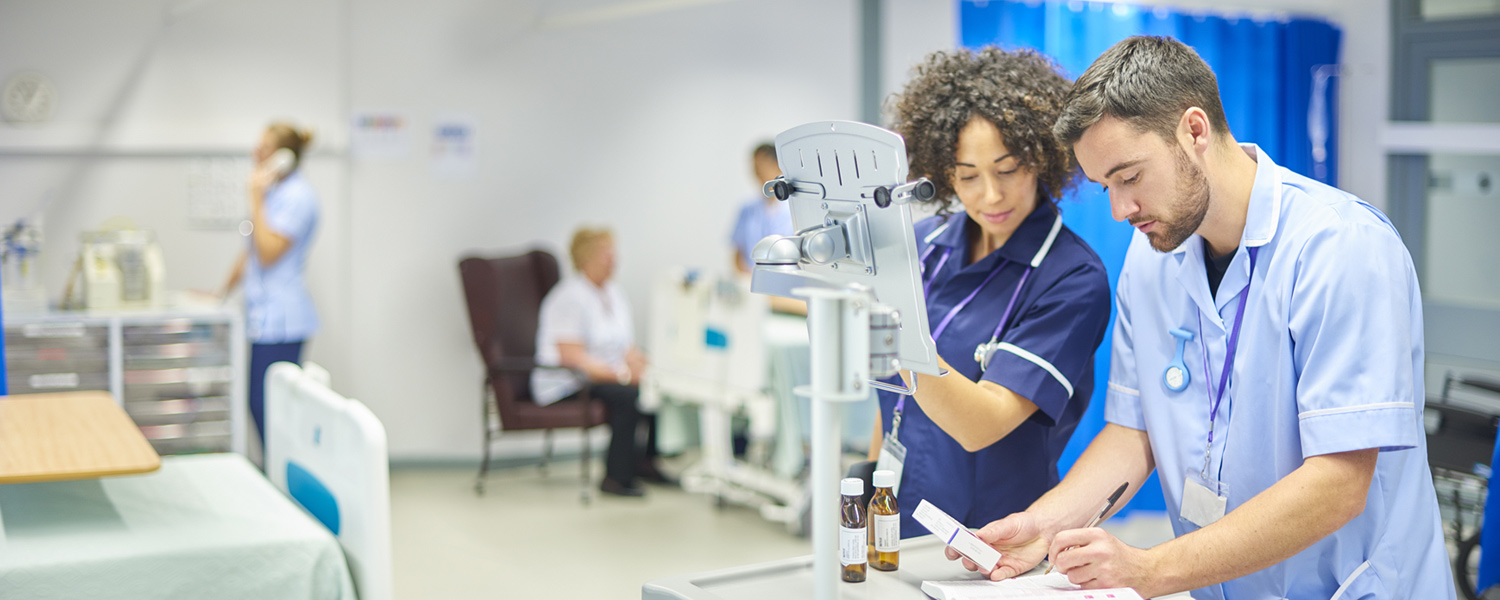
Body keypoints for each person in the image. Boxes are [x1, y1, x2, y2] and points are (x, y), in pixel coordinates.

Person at [948, 36, 1454, 599]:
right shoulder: (1152, 256)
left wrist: (1152, 570)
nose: (1120, 210)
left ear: (1194, 131)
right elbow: (1132, 430)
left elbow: (1338, 484)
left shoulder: (1340, 247)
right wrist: (1044, 526)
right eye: (1106, 187)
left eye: (1130, 177)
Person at [868, 48, 1112, 538]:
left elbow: (983, 423)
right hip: (899, 514)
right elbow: (894, 398)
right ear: (943, 173)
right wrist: (875, 491)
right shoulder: (921, 248)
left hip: (996, 539)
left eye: (1007, 169)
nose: (991, 196)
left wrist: (893, 334)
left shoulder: (1071, 278)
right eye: (968, 176)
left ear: (1042, 158)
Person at [533, 227, 669, 497]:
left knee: (657, 385)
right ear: (585, 258)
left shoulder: (614, 294)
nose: (613, 259)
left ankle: (646, 461)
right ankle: (616, 478)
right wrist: (622, 375)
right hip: (567, 381)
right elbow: (573, 356)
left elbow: (626, 346)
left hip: (603, 373)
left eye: (613, 252)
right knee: (628, 396)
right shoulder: (569, 296)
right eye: (605, 253)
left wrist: (646, 368)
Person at [217, 122, 320, 451]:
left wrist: (255, 197)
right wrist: (219, 294)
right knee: (260, 404)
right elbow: (249, 254)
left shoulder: (298, 197)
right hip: (265, 318)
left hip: (283, 321)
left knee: (270, 406)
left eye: (263, 149)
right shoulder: (274, 194)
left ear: (284, 158)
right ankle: (279, 474)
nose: (255, 155)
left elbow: (268, 252)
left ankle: (286, 478)